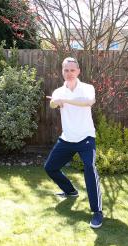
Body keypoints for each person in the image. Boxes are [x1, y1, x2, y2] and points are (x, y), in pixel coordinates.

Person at [44, 57, 103, 229]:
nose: (69, 73)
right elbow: (53, 104)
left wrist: (67, 101)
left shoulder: (87, 88)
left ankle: (97, 212)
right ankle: (70, 191)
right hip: (67, 138)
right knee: (50, 168)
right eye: (66, 70)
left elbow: (89, 102)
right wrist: (56, 102)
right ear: (62, 72)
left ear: (78, 71)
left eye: (72, 70)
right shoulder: (58, 91)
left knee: (89, 169)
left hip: (85, 138)